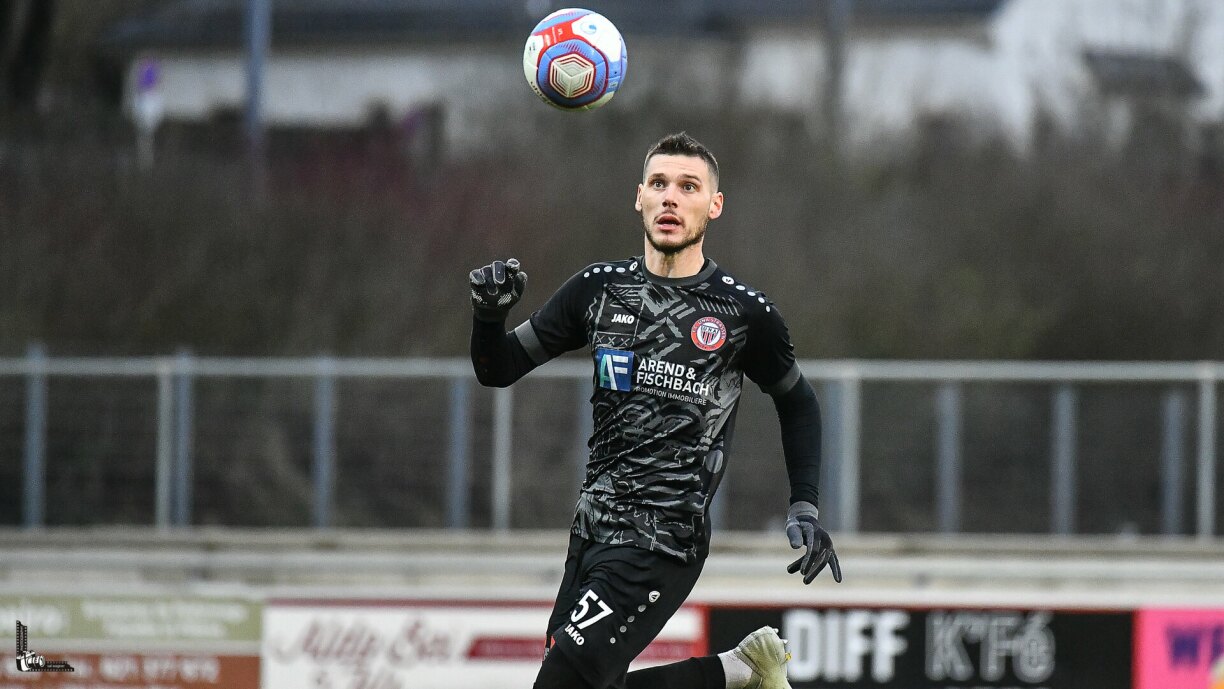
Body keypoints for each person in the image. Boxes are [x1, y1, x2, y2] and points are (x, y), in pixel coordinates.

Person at [469, 132, 841, 689]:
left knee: (562, 684)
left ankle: (734, 673)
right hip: (591, 529)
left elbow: (799, 403)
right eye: (660, 184)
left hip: (665, 538)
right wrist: (487, 317)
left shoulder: (743, 313)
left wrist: (805, 506)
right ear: (638, 196)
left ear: (713, 206)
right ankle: (736, 672)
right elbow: (497, 369)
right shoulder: (599, 290)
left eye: (688, 187)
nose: (671, 198)